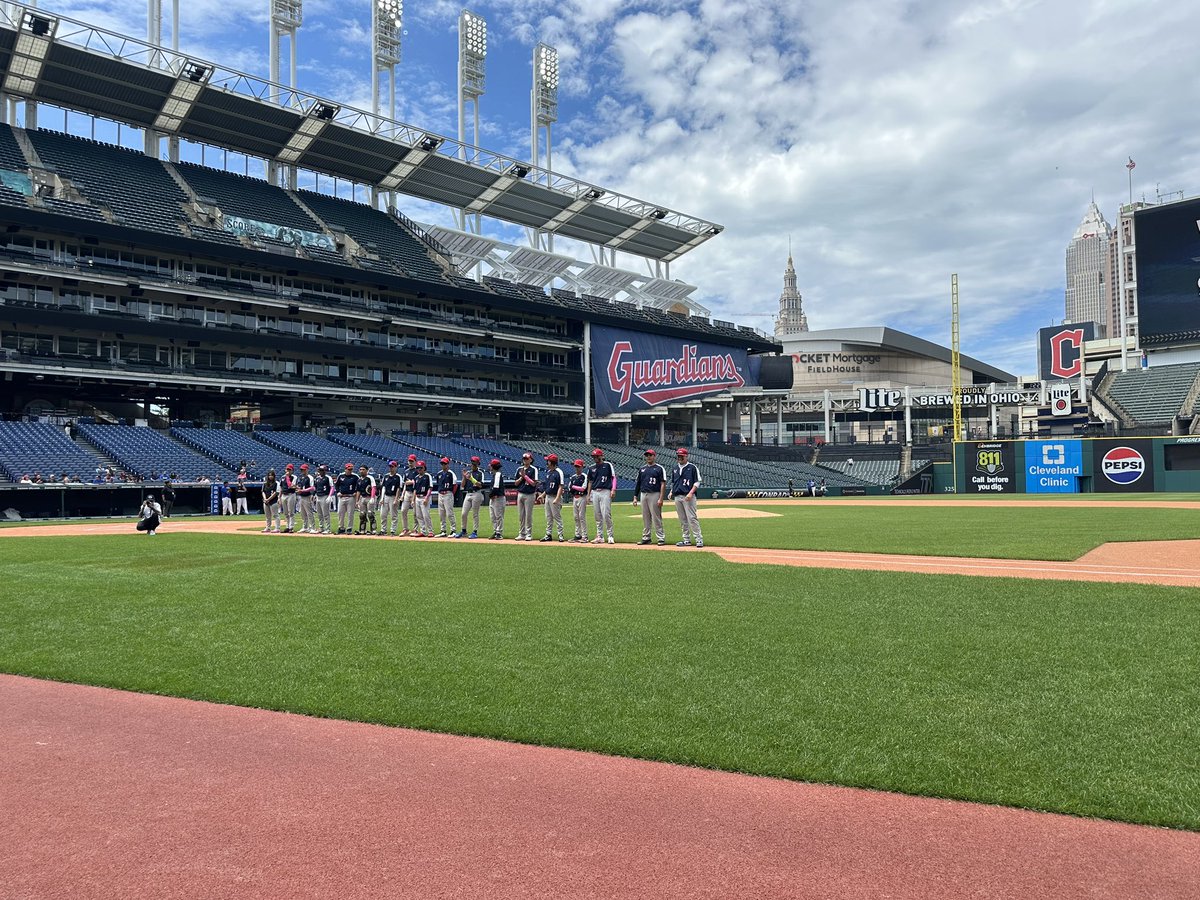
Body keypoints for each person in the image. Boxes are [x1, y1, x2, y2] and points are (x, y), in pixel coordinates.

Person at [669, 448, 703, 548]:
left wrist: (691, 493)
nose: (679, 457)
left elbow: (697, 482)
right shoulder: (675, 468)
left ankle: (699, 539)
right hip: (677, 496)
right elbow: (673, 482)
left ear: (686, 456)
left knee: (692, 518)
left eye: (681, 456)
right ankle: (686, 540)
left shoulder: (692, 467)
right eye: (678, 456)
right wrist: (671, 492)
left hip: (688, 496)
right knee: (682, 519)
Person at [633, 448, 667, 546]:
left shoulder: (659, 468)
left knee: (656, 517)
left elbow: (663, 484)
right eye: (647, 455)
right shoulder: (642, 469)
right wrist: (635, 496)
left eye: (650, 455)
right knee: (645, 517)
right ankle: (646, 537)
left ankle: (660, 538)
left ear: (654, 456)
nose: (648, 457)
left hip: (654, 493)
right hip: (644, 494)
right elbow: (638, 484)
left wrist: (661, 498)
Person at [588, 448, 616, 544]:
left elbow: (613, 477)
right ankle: (599, 536)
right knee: (597, 515)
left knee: (606, 514)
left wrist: (613, 489)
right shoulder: (591, 468)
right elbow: (590, 482)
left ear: (601, 456)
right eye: (594, 456)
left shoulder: (608, 465)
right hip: (595, 492)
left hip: (605, 491)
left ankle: (610, 536)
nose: (595, 458)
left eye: (596, 456)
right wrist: (588, 494)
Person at [539, 454, 565, 542]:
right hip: (548, 497)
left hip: (555, 497)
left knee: (557, 516)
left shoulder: (559, 472)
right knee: (548, 517)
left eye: (548, 461)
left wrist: (557, 498)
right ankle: (548, 535)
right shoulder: (549, 472)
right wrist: (542, 495)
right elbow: (548, 488)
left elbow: (561, 486)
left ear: (552, 462)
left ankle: (560, 535)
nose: (547, 462)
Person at [457, 457, 485, 539]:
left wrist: (471, 478)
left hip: (477, 493)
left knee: (475, 514)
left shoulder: (480, 473)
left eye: (474, 463)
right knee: (463, 513)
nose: (472, 464)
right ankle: (463, 531)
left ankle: (475, 531)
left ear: (477, 464)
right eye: (472, 463)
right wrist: (464, 477)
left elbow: (480, 485)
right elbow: (462, 485)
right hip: (468, 493)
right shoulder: (469, 472)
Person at [514, 452, 539, 541]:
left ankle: (529, 534)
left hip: (530, 494)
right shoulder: (519, 469)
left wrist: (525, 476)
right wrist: (521, 477)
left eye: (527, 458)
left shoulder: (533, 469)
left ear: (531, 460)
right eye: (524, 458)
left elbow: (533, 483)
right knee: (521, 515)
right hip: (520, 493)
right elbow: (515, 483)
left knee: (528, 515)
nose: (525, 460)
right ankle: (521, 533)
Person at [434, 457, 458, 537]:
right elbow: (438, 483)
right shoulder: (439, 473)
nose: (443, 465)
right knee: (441, 513)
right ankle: (443, 530)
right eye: (442, 464)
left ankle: (453, 530)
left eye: (445, 463)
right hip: (441, 494)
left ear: (448, 464)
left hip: (448, 493)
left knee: (449, 513)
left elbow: (455, 485)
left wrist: (451, 494)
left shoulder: (451, 473)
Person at [567, 459, 590, 542]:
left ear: (582, 467)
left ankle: (585, 535)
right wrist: (574, 488)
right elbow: (569, 487)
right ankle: (578, 535)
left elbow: (583, 488)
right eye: (576, 466)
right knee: (576, 517)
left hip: (582, 497)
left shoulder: (584, 476)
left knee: (581, 517)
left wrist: (574, 487)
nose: (577, 468)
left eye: (578, 466)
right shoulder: (573, 477)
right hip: (575, 497)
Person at [379, 460, 403, 536]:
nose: (391, 468)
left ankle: (393, 530)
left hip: (393, 497)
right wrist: (381, 498)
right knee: (383, 514)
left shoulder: (398, 477)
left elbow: (399, 489)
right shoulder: (386, 476)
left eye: (392, 466)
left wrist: (396, 499)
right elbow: (383, 488)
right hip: (386, 496)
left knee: (393, 515)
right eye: (390, 466)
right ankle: (383, 530)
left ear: (396, 467)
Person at [335, 462, 359, 534]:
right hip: (342, 496)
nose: (350, 471)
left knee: (350, 513)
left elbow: (358, 485)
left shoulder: (355, 476)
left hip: (351, 496)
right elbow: (337, 485)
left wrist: (355, 491)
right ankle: (341, 527)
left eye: (351, 469)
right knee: (340, 513)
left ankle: (349, 528)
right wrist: (338, 492)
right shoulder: (341, 476)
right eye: (348, 469)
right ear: (345, 469)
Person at [399, 454, 419, 536]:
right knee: (403, 511)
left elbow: (418, 482)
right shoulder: (406, 471)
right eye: (409, 461)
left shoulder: (418, 470)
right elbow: (405, 484)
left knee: (415, 513)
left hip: (415, 493)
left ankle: (415, 529)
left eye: (412, 461)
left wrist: (412, 482)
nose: (410, 463)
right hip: (407, 492)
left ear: (415, 462)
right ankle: (405, 529)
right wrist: (402, 495)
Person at [412, 460, 433, 537]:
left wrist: (427, 498)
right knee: (419, 516)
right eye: (418, 468)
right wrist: (413, 500)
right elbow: (414, 489)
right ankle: (423, 531)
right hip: (417, 497)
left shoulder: (427, 476)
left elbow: (430, 488)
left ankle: (430, 531)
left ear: (424, 468)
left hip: (424, 497)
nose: (419, 469)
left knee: (426, 515)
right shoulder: (416, 477)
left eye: (421, 468)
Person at [487, 458, 506, 540]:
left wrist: (491, 495)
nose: (489, 466)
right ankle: (496, 531)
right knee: (493, 516)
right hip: (494, 498)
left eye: (491, 465)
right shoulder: (495, 475)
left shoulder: (498, 474)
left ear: (493, 466)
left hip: (498, 498)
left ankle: (499, 533)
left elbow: (496, 487)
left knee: (498, 516)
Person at [356, 464, 378, 535]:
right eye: (360, 470)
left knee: (370, 514)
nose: (361, 471)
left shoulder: (370, 478)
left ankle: (373, 529)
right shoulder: (359, 480)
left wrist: (372, 497)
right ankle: (362, 529)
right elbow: (358, 491)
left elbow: (373, 487)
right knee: (362, 514)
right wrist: (357, 501)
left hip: (369, 497)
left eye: (363, 470)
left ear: (367, 470)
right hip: (362, 498)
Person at [313, 464, 334, 534]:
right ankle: (321, 527)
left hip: (325, 496)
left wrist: (330, 496)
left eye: (322, 470)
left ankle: (328, 529)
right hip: (318, 496)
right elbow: (315, 487)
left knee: (326, 514)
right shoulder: (317, 478)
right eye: (320, 470)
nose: (320, 472)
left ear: (325, 471)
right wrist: (314, 495)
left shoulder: (328, 478)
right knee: (319, 514)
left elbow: (332, 487)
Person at [295, 463, 316, 533]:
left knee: (309, 513)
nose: (302, 471)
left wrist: (302, 490)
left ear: (307, 470)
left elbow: (312, 487)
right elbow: (300, 486)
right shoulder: (301, 477)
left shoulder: (310, 477)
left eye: (303, 470)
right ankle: (305, 527)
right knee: (302, 513)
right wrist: (297, 488)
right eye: (301, 470)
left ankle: (313, 527)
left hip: (307, 496)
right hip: (301, 496)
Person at [279, 465, 298, 533]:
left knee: (291, 512)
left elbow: (291, 486)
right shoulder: (282, 477)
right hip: (284, 495)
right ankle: (287, 526)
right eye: (287, 469)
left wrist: (287, 477)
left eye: (289, 470)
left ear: (292, 470)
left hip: (291, 494)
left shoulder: (294, 477)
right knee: (285, 512)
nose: (288, 471)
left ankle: (291, 527)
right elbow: (281, 487)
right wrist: (279, 497)